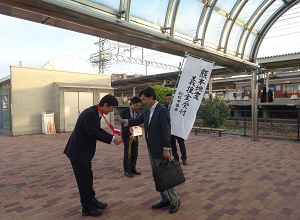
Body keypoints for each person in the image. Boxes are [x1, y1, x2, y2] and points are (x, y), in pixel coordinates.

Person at [115, 87, 180, 214]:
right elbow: (136, 121)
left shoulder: (162, 111)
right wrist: (123, 121)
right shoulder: (147, 111)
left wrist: (167, 148)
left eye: (144, 99)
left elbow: (167, 130)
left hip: (162, 150)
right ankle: (165, 198)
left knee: (166, 175)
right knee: (158, 175)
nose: (143, 102)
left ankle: (175, 200)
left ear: (151, 97)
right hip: (152, 149)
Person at [64, 94, 122, 217]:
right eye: (111, 109)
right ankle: (87, 208)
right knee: (84, 180)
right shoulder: (90, 113)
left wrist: (113, 137)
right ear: (105, 105)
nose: (111, 111)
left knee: (88, 177)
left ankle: (92, 200)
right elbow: (93, 133)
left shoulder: (95, 112)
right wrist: (112, 138)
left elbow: (97, 130)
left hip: (83, 152)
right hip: (78, 152)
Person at [120, 96, 142, 178]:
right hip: (127, 136)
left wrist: (138, 132)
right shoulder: (124, 112)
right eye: (136, 105)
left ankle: (133, 168)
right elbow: (124, 125)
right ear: (131, 104)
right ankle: (127, 170)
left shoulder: (137, 112)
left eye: (139, 106)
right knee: (128, 153)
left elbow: (137, 123)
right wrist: (129, 134)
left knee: (135, 152)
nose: (138, 107)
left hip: (135, 135)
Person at [165, 93, 188, 165]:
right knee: (172, 144)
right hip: (170, 129)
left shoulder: (179, 106)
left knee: (181, 143)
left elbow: (182, 115)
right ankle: (176, 157)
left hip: (178, 128)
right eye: (167, 99)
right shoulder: (165, 107)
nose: (169, 101)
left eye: (170, 99)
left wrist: (174, 108)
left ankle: (184, 158)